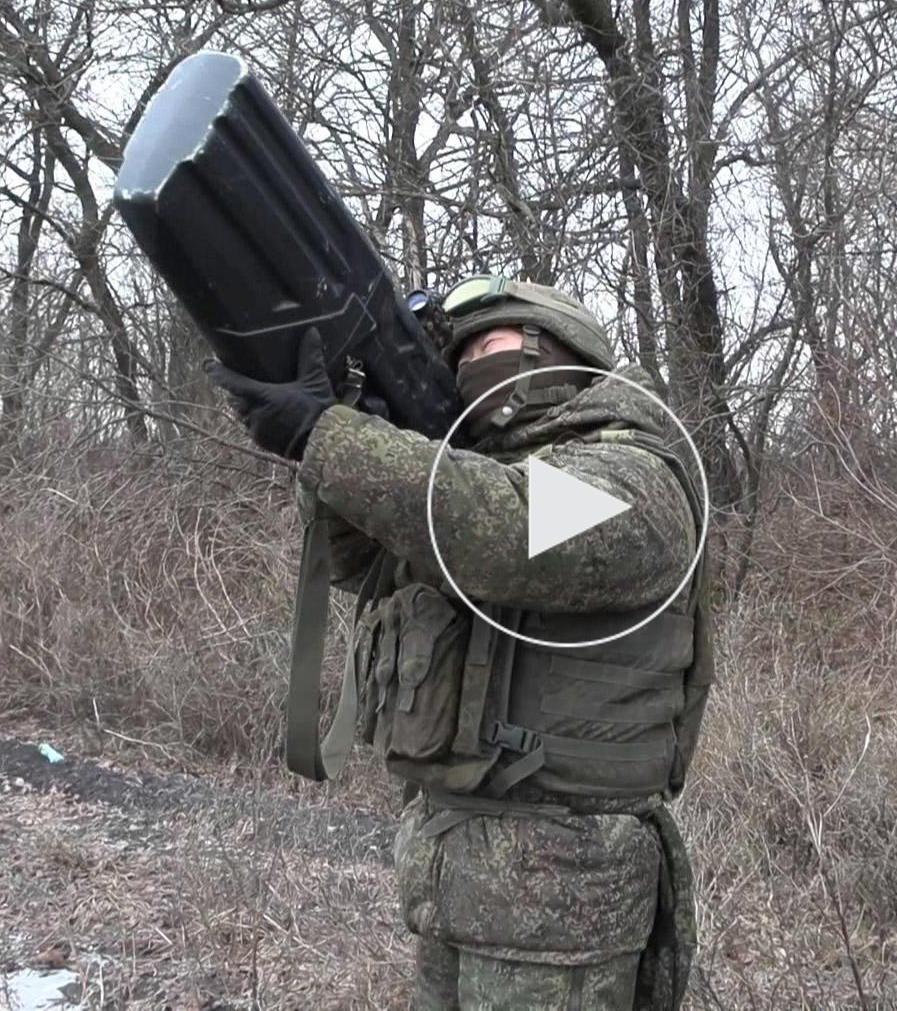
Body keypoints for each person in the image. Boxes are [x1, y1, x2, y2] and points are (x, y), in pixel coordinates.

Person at [205, 276, 712, 1010]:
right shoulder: (470, 473)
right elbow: (365, 563)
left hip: (563, 896)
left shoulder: (635, 477)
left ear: (559, 351)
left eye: (490, 342)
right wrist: (336, 439)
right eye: (459, 350)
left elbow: (510, 528)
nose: (470, 362)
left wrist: (334, 439)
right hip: (458, 875)